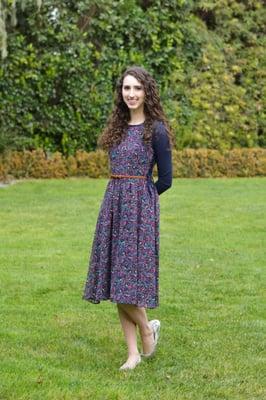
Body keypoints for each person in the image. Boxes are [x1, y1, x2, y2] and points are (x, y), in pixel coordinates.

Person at [82, 66, 173, 371]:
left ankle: (147, 330)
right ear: (120, 93)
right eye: (126, 88)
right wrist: (122, 199)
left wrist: (143, 201)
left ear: (147, 91)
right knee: (116, 280)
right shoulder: (117, 128)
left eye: (137, 88)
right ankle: (135, 350)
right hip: (113, 207)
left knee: (129, 282)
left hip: (139, 212)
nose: (131, 94)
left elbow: (166, 179)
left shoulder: (156, 129)